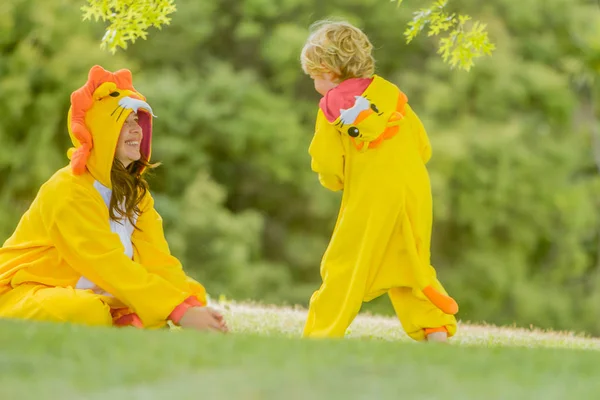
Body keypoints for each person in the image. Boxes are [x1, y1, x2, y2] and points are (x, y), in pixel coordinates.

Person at [0, 65, 227, 333]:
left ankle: (122, 318)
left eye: (137, 122)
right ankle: (120, 319)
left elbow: (158, 260)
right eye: (124, 123)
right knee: (89, 312)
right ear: (101, 131)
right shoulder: (68, 189)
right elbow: (106, 262)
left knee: (140, 314)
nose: (137, 131)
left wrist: (191, 305)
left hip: (89, 293)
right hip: (25, 292)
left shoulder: (136, 194)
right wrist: (177, 312)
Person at [300, 20, 458, 342]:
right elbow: (422, 145)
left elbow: (327, 163)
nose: (315, 83)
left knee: (345, 263)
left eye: (314, 76)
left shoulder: (330, 108)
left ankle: (320, 336)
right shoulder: (390, 95)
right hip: (414, 190)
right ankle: (435, 330)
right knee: (411, 261)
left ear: (329, 71)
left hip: (371, 197)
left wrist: (336, 181)